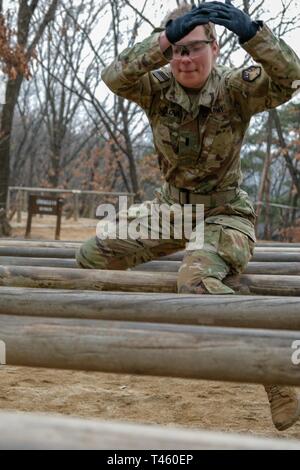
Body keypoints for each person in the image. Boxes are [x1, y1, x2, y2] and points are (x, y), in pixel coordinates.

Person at [77, 0, 300, 431]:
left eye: (193, 48)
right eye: (177, 50)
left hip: (223, 214)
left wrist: (253, 33)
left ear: (213, 48)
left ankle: (273, 371)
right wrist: (163, 38)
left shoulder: (237, 88)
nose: (184, 59)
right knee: (92, 254)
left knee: (194, 283)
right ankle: (147, 338)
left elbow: (290, 76)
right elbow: (113, 77)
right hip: (171, 209)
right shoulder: (158, 86)